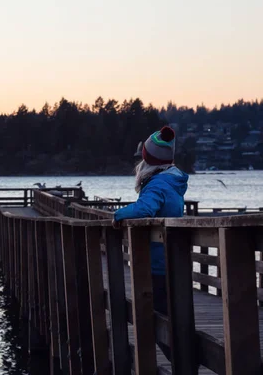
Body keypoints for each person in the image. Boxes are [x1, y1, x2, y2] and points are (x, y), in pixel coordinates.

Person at [111, 125, 189, 360]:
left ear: (149, 160)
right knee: (170, 318)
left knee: (154, 321)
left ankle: (185, 362)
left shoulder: (157, 184)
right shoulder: (173, 183)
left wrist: (118, 215)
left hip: (157, 262)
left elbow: (145, 208)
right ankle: (185, 360)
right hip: (172, 259)